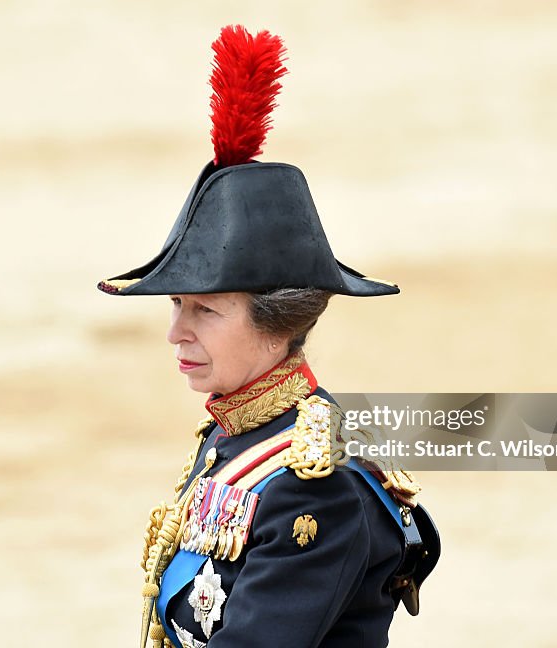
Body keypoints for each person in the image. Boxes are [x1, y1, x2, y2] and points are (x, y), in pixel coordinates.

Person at [98, 25, 440, 648]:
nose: (176, 332)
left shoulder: (316, 483)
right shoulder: (241, 432)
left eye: (205, 310)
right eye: (177, 304)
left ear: (277, 321)